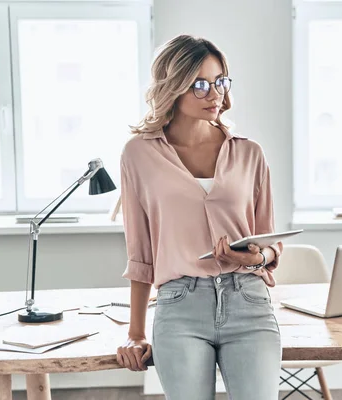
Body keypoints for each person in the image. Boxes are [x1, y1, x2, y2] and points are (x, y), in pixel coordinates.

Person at [115, 34, 283, 400]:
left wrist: (256, 259)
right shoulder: (138, 155)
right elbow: (141, 256)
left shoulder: (249, 153)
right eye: (201, 84)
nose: (215, 94)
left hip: (249, 303)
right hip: (179, 308)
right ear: (173, 86)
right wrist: (136, 331)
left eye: (221, 81)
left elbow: (272, 246)